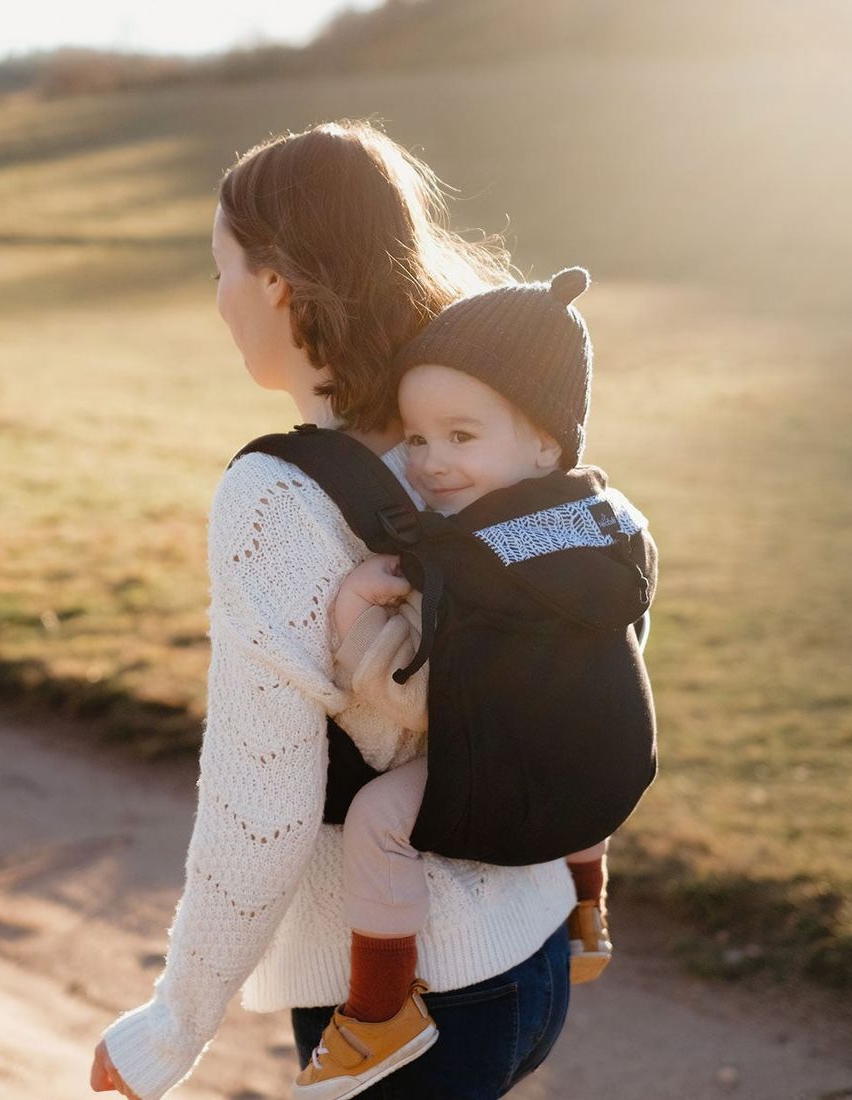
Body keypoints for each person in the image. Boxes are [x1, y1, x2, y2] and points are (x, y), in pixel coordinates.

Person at [89, 119, 576, 1100]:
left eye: (221, 268)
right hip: (536, 949)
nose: (220, 301)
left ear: (275, 282)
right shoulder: (482, 430)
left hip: (400, 1006)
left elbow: (257, 807)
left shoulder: (274, 498)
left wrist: (171, 1025)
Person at [293, 268, 655, 1097]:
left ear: (544, 443)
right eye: (417, 439)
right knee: (588, 739)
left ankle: (380, 1012)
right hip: (607, 767)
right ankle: (587, 908)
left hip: (517, 770)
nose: (430, 463)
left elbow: (420, 692)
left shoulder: (470, 558)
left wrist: (356, 621)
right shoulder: (603, 517)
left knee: (380, 819)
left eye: (462, 437)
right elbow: (631, 625)